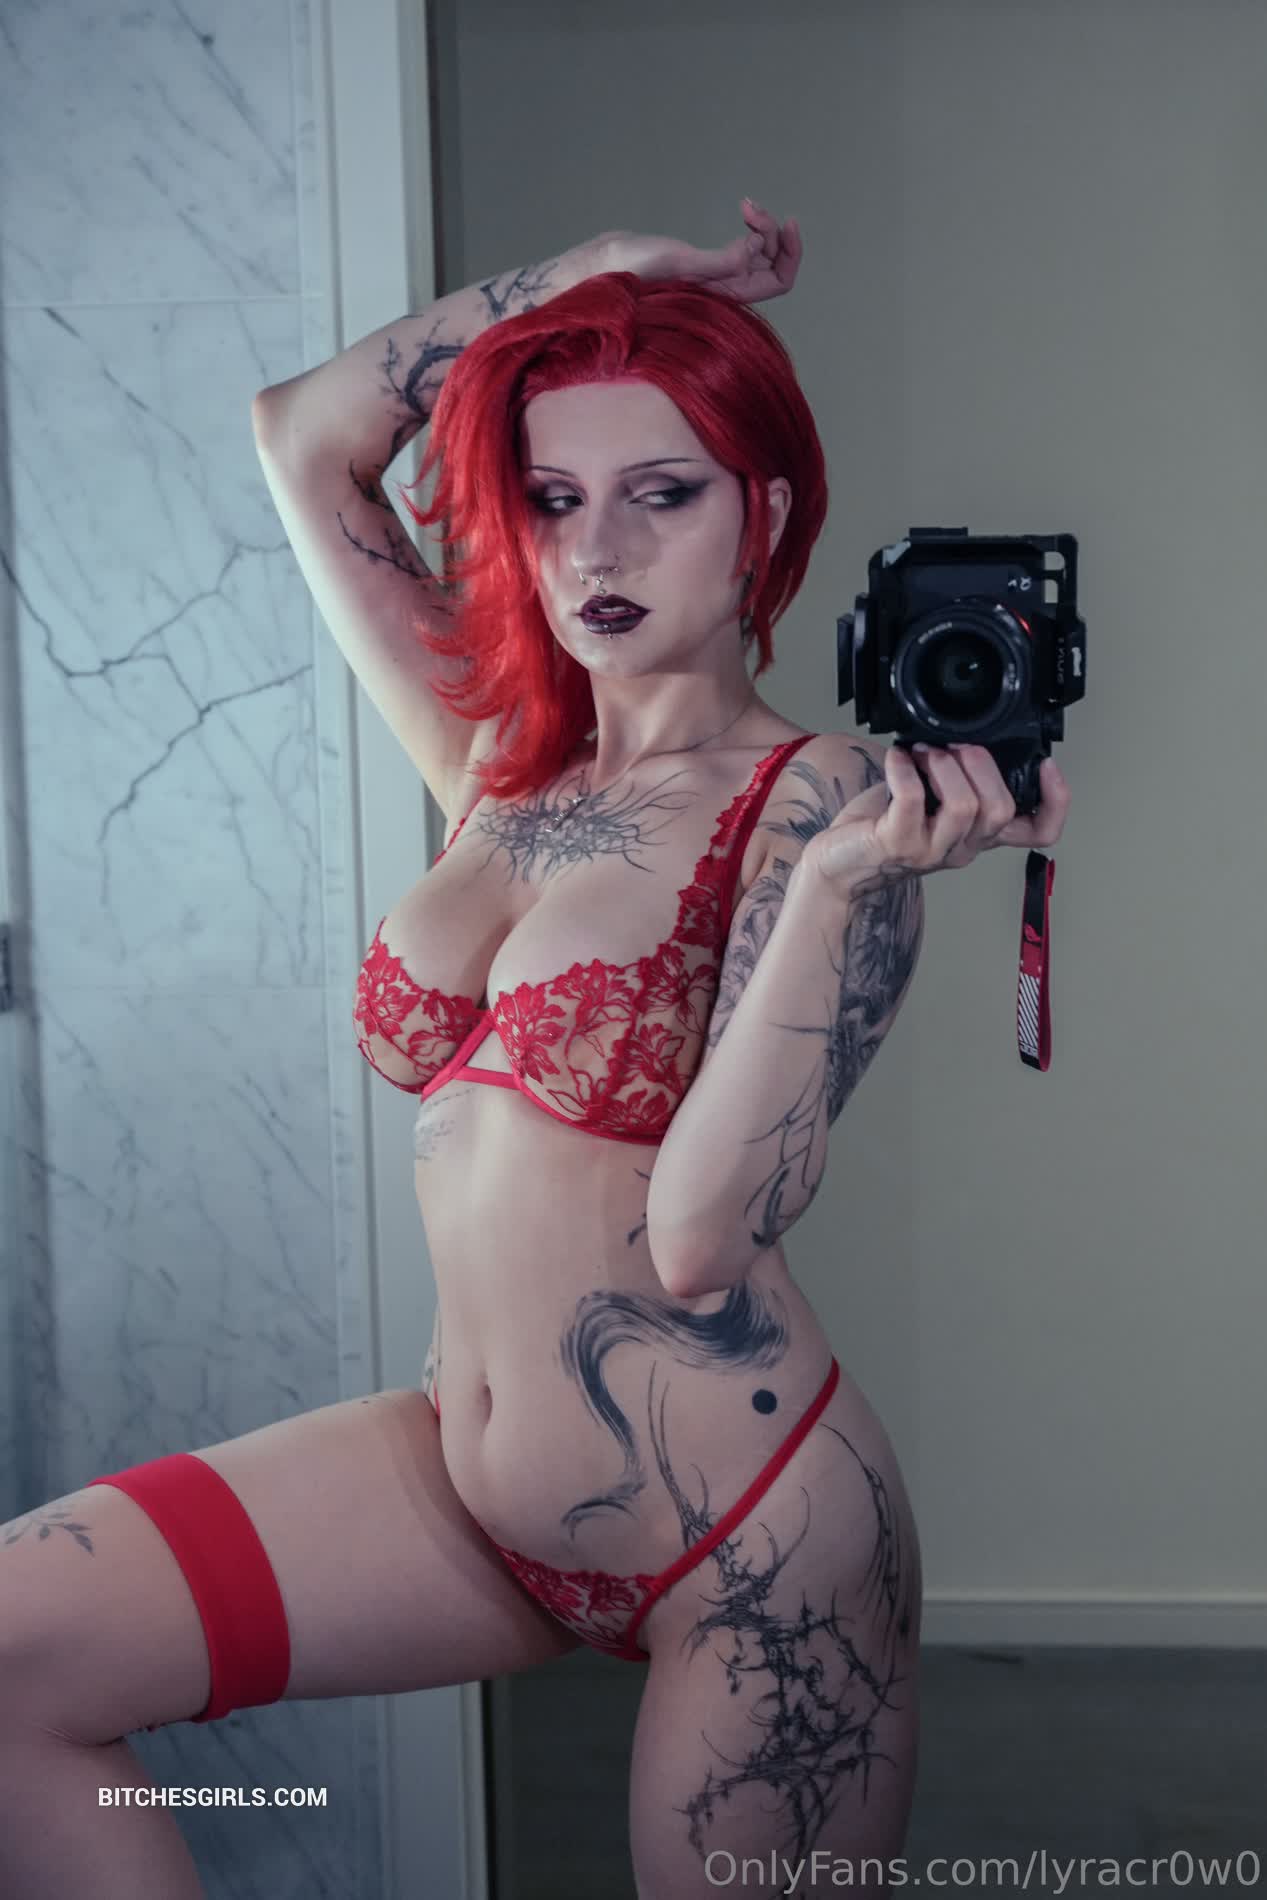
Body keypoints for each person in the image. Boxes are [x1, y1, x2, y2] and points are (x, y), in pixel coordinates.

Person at [1, 201, 1070, 1897]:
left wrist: (835, 895)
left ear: (763, 513)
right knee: (15, 1663)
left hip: (750, 1538)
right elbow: (303, 439)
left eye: (664, 493)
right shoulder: (498, 759)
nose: (597, 549)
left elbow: (700, 1241)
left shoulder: (820, 804)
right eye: (554, 498)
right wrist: (589, 278)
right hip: (465, 1489)